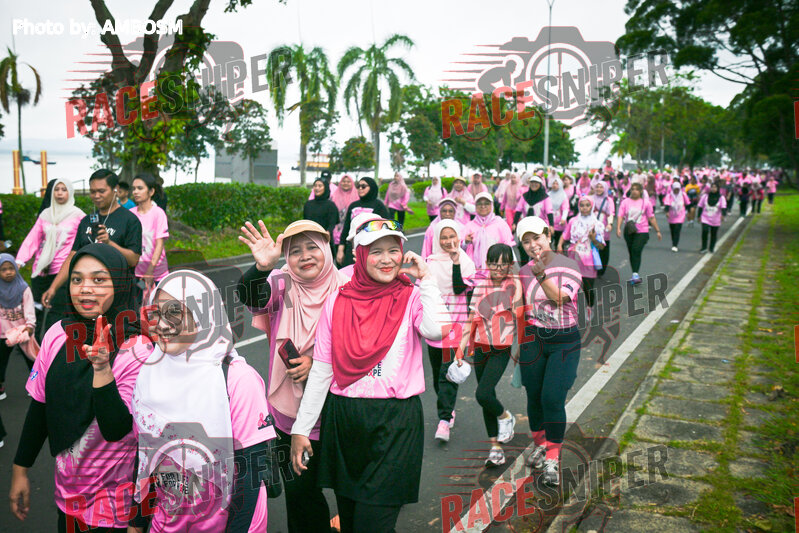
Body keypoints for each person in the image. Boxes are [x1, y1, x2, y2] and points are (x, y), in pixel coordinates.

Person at [289, 219, 448, 533]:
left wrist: (427, 279)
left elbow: (437, 330)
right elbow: (321, 369)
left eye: (393, 250)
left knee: (372, 525)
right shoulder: (338, 300)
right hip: (344, 420)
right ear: (360, 256)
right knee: (350, 523)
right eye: (376, 252)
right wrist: (301, 429)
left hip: (396, 423)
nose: (386, 259)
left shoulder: (412, 297)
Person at [10, 244, 148, 532]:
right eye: (77, 279)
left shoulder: (137, 348)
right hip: (68, 499)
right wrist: (20, 469)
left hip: (117, 509)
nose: (85, 288)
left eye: (99, 279)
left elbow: (118, 429)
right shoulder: (57, 334)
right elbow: (41, 406)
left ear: (120, 283)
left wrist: (102, 369)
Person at [130, 270, 276, 532]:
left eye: (175, 312)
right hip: (167, 522)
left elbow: (250, 477)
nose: (162, 324)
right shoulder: (149, 372)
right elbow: (145, 457)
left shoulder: (237, 380)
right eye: (157, 313)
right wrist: (137, 523)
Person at [236, 219, 347, 533]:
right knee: (300, 495)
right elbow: (252, 296)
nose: (305, 256)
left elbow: (363, 346)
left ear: (326, 248)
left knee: (348, 491)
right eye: (295, 251)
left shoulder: (347, 288)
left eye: (312, 247)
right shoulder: (282, 283)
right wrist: (261, 268)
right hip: (290, 414)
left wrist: (318, 364)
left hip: (338, 411)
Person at [516, 216, 582, 486]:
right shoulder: (522, 271)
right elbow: (520, 309)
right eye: (526, 242)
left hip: (564, 341)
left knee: (552, 398)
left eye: (537, 238)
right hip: (534, 339)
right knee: (534, 396)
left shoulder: (569, 265)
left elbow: (559, 298)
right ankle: (540, 445)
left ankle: (552, 459)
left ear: (548, 235)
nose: (533, 245)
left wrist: (541, 274)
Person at [41, 169, 142, 333]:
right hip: (87, 298)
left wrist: (109, 243)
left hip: (119, 299)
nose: (96, 196)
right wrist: (53, 288)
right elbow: (72, 256)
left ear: (115, 189)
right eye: (92, 191)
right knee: (84, 339)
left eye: (101, 191)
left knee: (119, 340)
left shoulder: (130, 220)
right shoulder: (86, 221)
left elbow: (133, 260)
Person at [458, 243, 522, 467]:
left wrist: (516, 280)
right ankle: (495, 448)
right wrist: (460, 349)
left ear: (510, 265)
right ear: (487, 264)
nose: (498, 268)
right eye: (494, 263)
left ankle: (506, 417)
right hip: (480, 347)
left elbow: (519, 311)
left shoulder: (512, 286)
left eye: (503, 264)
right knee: (487, 396)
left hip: (501, 349)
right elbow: (470, 320)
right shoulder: (480, 287)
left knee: (483, 393)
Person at [16, 178, 85, 341]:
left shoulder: (79, 216)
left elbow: (84, 242)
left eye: (64, 189)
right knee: (35, 311)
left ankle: (51, 346)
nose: (60, 193)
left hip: (63, 272)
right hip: (42, 269)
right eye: (56, 189)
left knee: (57, 312)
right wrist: (19, 261)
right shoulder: (46, 214)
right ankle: (33, 347)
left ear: (70, 192)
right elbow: (33, 239)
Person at [425, 219, 475, 443]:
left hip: (456, 327)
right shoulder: (430, 262)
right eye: (443, 237)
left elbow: (459, 288)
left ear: (458, 237)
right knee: (437, 376)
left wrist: (455, 262)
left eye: (452, 236)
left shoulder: (466, 262)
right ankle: (448, 409)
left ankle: (444, 421)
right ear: (437, 239)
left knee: (447, 375)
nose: (448, 241)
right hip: (436, 328)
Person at [558, 197, 605, 316]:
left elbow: (601, 246)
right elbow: (565, 234)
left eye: (587, 205)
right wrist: (559, 245)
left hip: (589, 261)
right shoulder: (573, 221)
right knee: (570, 287)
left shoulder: (597, 224)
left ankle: (590, 307)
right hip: (573, 258)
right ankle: (570, 310)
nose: (584, 208)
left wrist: (593, 239)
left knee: (588, 288)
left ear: (592, 207)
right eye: (582, 205)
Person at [0, 255, 38, 400]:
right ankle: (0, 386)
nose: (8, 272)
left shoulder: (23, 288)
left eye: (11, 268)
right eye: (3, 269)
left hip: (23, 331)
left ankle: (36, 385)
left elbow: (29, 309)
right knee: (1, 361)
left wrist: (30, 326)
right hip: (3, 333)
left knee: (32, 359)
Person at [130, 173, 170, 297]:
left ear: (151, 191)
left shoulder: (158, 213)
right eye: (134, 188)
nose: (135, 192)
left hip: (157, 273)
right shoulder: (130, 214)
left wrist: (150, 271)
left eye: (140, 188)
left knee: (159, 306)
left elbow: (159, 244)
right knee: (139, 307)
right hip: (136, 272)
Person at [337, 177, 390, 267]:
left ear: (372, 187)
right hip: (352, 248)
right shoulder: (353, 205)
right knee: (350, 273)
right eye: (358, 186)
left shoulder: (379, 206)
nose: (360, 188)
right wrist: (341, 249)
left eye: (363, 186)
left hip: (372, 248)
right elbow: (346, 228)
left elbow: (386, 228)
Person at [616, 182, 662, 285]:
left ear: (641, 191)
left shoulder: (646, 203)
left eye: (637, 189)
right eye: (632, 189)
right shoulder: (625, 202)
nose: (634, 191)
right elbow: (620, 215)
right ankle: (634, 273)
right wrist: (618, 228)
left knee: (636, 249)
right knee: (632, 252)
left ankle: (635, 274)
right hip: (629, 230)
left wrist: (657, 231)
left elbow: (651, 217)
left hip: (642, 231)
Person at [463, 192, 516, 270]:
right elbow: (462, 249)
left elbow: (508, 246)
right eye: (479, 204)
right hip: (475, 269)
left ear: (491, 205)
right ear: (475, 206)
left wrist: (513, 267)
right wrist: (466, 242)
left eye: (486, 203)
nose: (483, 206)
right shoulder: (469, 226)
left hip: (497, 268)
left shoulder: (500, 224)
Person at [514, 175, 553, 265]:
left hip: (539, 228)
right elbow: (518, 209)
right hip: (526, 228)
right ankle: (525, 267)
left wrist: (551, 225)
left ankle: (540, 267)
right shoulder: (525, 196)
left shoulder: (545, 197)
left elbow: (549, 211)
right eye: (532, 183)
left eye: (536, 183)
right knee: (524, 248)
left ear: (540, 184)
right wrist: (514, 223)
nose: (534, 185)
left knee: (537, 249)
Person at [303, 178, 340, 251]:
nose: (317, 188)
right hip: (310, 239)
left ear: (325, 188)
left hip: (326, 240)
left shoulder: (331, 205)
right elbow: (306, 221)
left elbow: (332, 223)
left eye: (320, 186)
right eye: (315, 186)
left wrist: (327, 233)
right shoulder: (308, 204)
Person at [588, 181, 614, 276]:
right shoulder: (590, 198)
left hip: (603, 225)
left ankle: (602, 268)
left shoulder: (608, 200)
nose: (599, 189)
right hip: (591, 223)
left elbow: (610, 213)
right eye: (597, 187)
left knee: (603, 245)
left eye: (601, 187)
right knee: (590, 244)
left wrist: (610, 224)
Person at [329, 174, 360, 249]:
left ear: (352, 183)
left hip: (352, 229)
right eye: (344, 181)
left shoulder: (357, 196)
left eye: (348, 182)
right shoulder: (334, 196)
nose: (346, 183)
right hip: (336, 230)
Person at [697, 182, 726, 254]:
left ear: (718, 188)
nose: (713, 189)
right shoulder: (705, 196)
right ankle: (704, 247)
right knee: (705, 231)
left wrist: (723, 215)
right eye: (712, 187)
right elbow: (700, 206)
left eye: (715, 187)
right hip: (705, 217)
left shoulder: (721, 198)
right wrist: (698, 216)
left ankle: (711, 247)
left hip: (716, 219)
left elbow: (723, 207)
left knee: (714, 233)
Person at [663, 181, 690, 252]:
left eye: (678, 189)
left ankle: (675, 245)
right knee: (673, 230)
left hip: (680, 215)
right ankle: (673, 241)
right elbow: (667, 204)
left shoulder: (683, 195)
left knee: (677, 230)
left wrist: (688, 212)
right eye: (675, 189)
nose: (677, 190)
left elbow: (687, 203)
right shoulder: (669, 196)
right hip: (672, 215)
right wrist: (667, 212)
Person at [548, 177, 570, 248]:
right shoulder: (548, 195)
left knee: (559, 243)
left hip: (559, 222)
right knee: (548, 241)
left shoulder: (563, 196)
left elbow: (565, 208)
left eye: (557, 184)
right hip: (549, 221)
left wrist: (563, 218)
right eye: (553, 183)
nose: (554, 185)